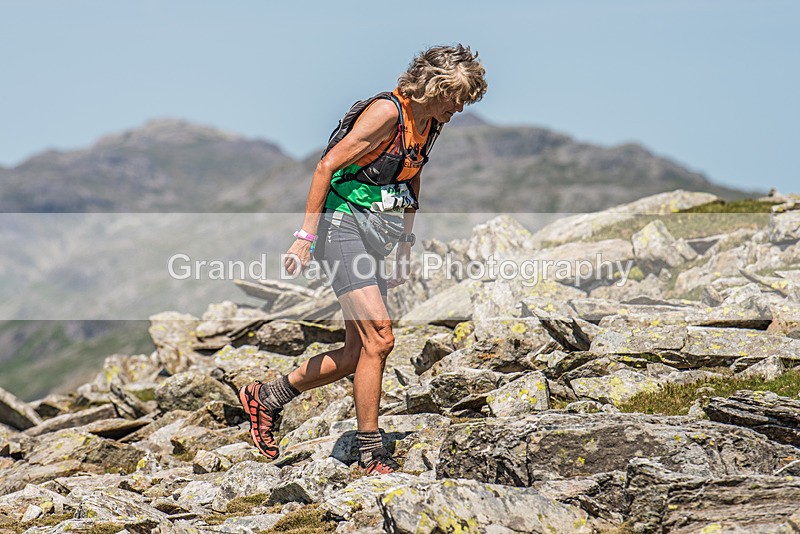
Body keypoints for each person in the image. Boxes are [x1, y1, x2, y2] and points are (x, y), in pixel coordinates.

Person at [239, 44, 487, 475]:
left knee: (360, 352)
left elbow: (413, 175)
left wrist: (405, 247)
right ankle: (372, 452)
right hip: (340, 227)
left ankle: (268, 396)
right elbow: (326, 166)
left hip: (374, 234)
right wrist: (304, 238)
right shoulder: (386, 113)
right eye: (456, 97)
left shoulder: (427, 123)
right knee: (381, 338)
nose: (459, 108)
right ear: (435, 85)